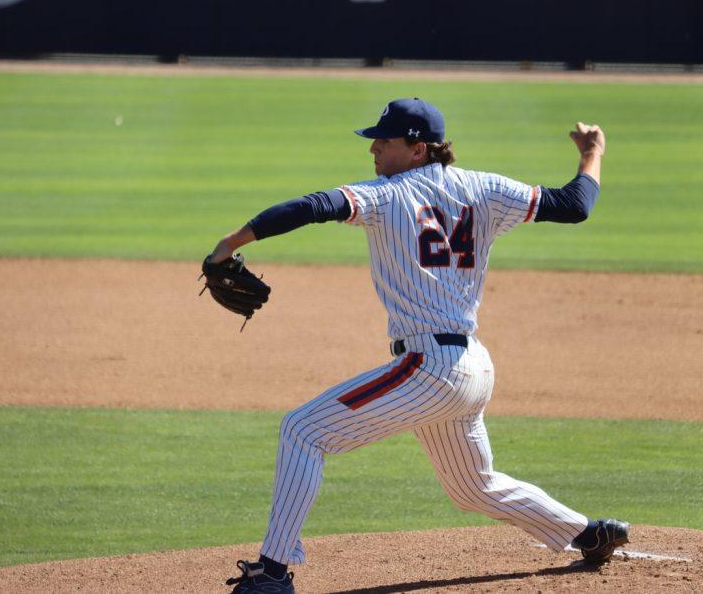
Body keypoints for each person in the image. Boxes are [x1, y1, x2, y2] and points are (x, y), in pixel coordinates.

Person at [212, 98, 629, 594]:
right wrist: (592, 154)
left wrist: (230, 243)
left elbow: (311, 207)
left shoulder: (386, 196)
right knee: (475, 486)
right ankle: (587, 534)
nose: (372, 149)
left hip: (428, 368)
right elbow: (574, 206)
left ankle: (272, 573)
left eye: (383, 141)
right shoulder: (486, 188)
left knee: (303, 431)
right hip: (471, 366)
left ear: (416, 148)